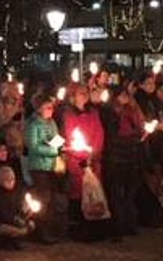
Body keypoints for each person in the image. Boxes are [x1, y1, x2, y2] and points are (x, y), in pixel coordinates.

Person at [60, 83, 104, 240]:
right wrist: (80, 154)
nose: (84, 95)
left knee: (93, 194)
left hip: (93, 160)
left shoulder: (93, 113)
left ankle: (94, 227)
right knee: (77, 194)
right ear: (72, 96)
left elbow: (99, 134)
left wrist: (94, 153)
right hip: (76, 161)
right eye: (80, 93)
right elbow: (67, 137)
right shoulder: (67, 115)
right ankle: (78, 228)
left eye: (86, 92)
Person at [103, 84, 145, 239]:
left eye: (126, 95)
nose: (125, 98)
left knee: (129, 193)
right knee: (116, 193)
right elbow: (110, 133)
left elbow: (139, 128)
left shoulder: (133, 111)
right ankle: (117, 227)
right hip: (115, 155)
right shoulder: (109, 111)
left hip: (131, 155)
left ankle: (130, 224)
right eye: (122, 95)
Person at [24, 95, 63, 243]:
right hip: (39, 166)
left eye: (52, 107)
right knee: (43, 199)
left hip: (52, 166)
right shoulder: (33, 125)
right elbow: (33, 147)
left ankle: (50, 230)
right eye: (48, 107)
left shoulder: (51, 122)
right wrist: (53, 151)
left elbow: (56, 139)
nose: (51, 110)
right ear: (39, 109)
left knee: (51, 199)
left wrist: (60, 145)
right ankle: (40, 231)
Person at [0, 165, 34, 250]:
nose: (11, 182)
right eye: (7, 180)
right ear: (0, 181)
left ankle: (13, 240)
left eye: (13, 179)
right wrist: (17, 221)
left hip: (11, 221)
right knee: (19, 230)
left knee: (31, 224)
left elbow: (18, 209)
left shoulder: (16, 192)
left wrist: (25, 211)